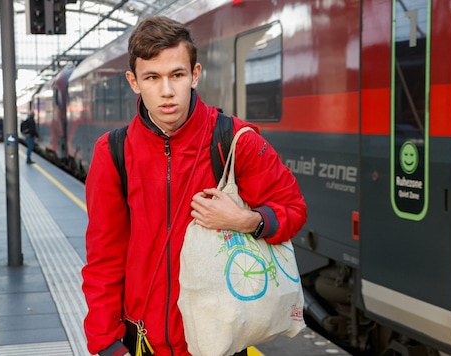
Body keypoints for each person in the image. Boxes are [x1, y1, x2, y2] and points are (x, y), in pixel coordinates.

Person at [81, 16, 307, 356]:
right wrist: (107, 346)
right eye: (152, 78)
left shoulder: (233, 140)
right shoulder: (113, 152)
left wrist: (246, 221)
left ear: (195, 75)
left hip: (219, 341)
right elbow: (104, 258)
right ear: (134, 82)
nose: (167, 91)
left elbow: (293, 210)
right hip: (143, 341)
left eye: (177, 75)